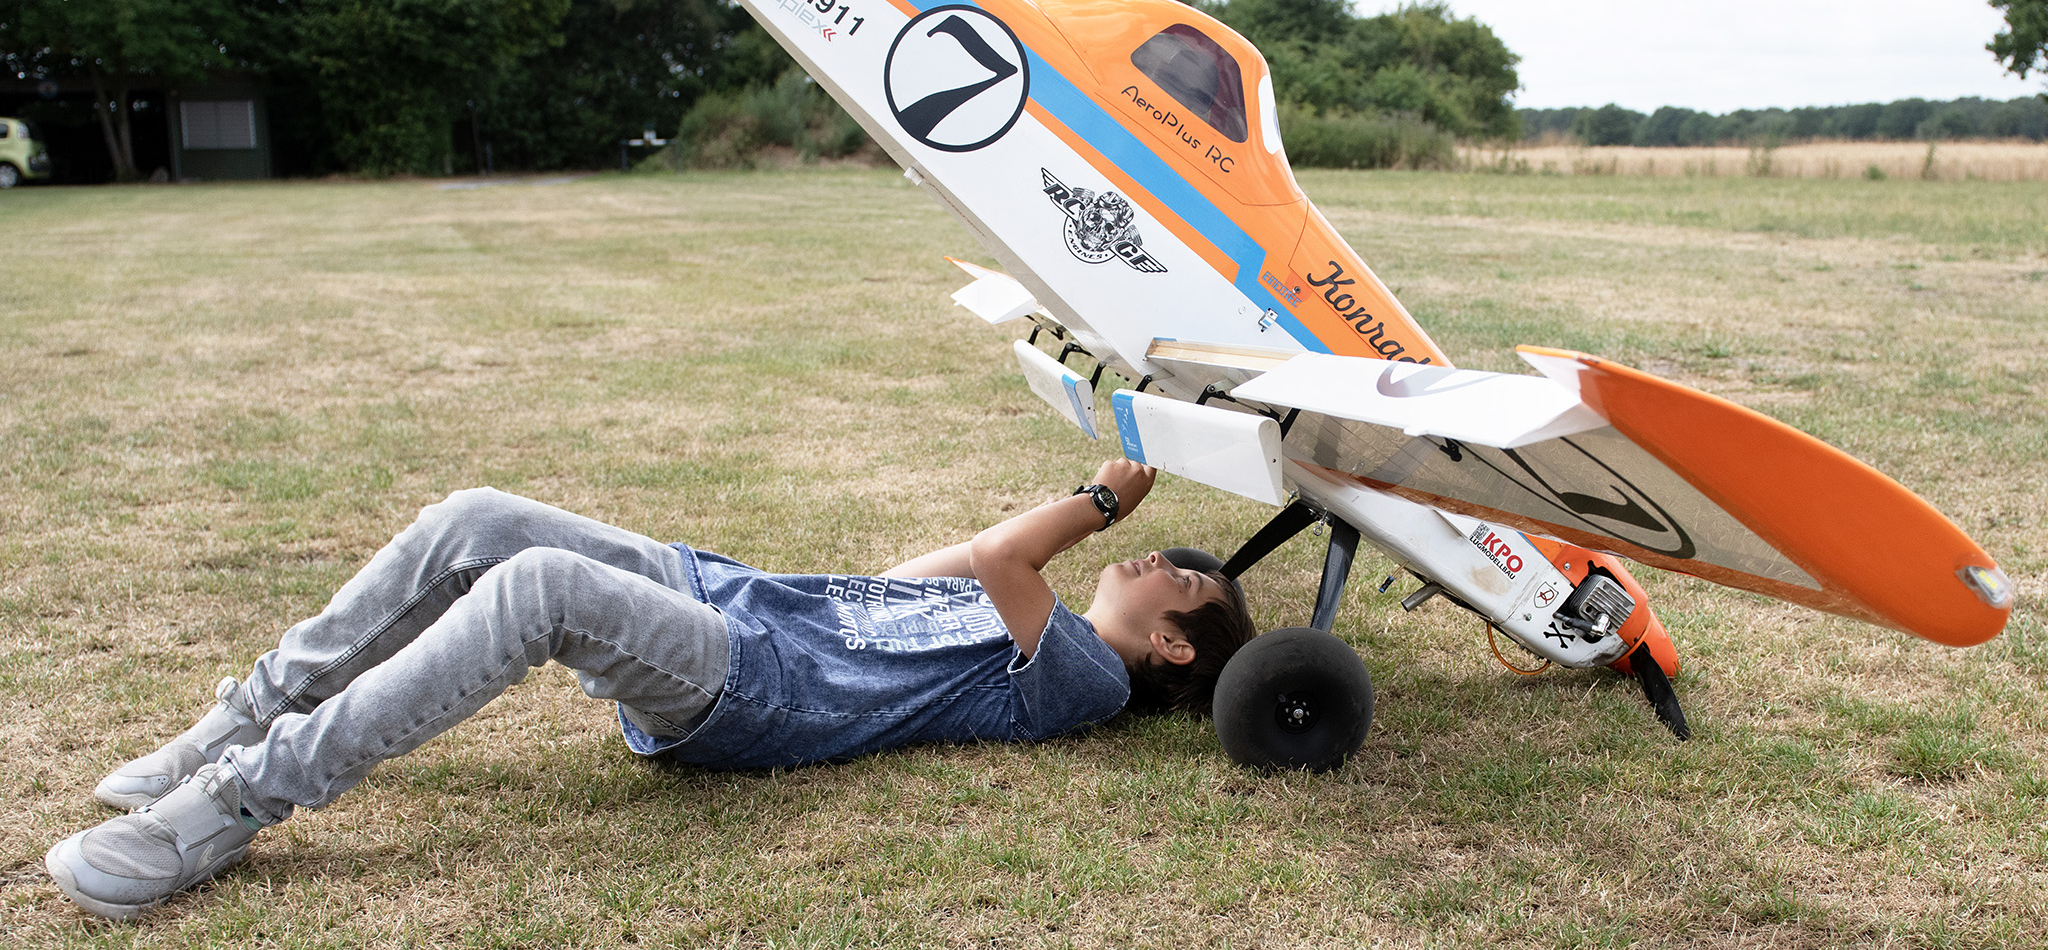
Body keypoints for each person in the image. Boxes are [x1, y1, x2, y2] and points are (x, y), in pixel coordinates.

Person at [45, 458, 1255, 920]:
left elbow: (1001, 554)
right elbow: (937, 566)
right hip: (736, 599)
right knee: (477, 516)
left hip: (763, 685)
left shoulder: (1084, 683)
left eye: (1185, 579)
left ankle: (234, 801)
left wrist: (1100, 501)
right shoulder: (1024, 621)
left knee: (538, 588)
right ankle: (242, 717)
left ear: (1171, 648)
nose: (1165, 558)